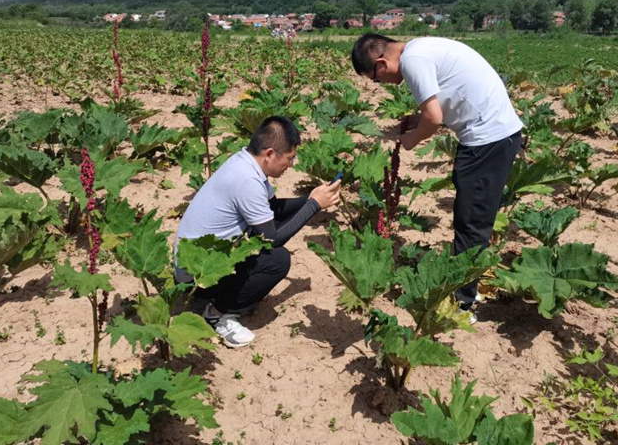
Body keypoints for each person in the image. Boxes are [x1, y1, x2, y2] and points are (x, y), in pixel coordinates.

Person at [351, 33, 523, 321]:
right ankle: (469, 285)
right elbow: (445, 102)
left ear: (381, 63)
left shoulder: (412, 62)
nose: (380, 85)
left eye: (376, 80)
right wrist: (418, 121)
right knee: (474, 219)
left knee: (470, 223)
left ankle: (461, 305)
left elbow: (434, 117)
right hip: (496, 135)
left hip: (487, 140)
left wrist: (411, 140)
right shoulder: (421, 47)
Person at [175, 116, 341, 347]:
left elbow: (272, 208)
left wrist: (312, 197)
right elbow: (271, 239)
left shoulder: (245, 163)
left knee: (262, 242)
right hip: (197, 276)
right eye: (289, 158)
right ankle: (216, 314)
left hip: (199, 260)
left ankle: (224, 298)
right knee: (277, 260)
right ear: (270, 153)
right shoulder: (247, 181)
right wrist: (314, 206)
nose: (291, 164)